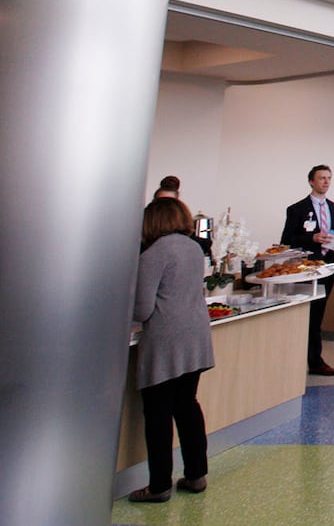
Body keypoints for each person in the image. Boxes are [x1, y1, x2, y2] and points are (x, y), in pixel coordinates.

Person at [129, 198, 214, 503]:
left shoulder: (153, 253)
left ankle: (159, 485)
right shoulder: (193, 247)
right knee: (187, 405)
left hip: (166, 340)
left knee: (158, 415)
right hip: (195, 335)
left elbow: (141, 308)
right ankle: (195, 474)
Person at [281, 164, 334, 375]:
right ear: (311, 182)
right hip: (307, 268)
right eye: (322, 178)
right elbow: (287, 241)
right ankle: (308, 360)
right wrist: (311, 238)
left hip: (327, 266)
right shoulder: (297, 209)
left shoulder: (332, 207)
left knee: (318, 316)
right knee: (308, 318)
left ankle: (315, 360)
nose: (326, 182)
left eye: (329, 178)